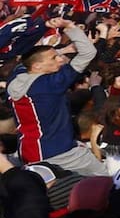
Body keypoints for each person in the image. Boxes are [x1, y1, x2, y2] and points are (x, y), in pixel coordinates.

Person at [7, 18, 106, 176]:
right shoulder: (51, 84)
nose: (60, 59)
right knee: (106, 181)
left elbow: (28, 59)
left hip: (29, 151)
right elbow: (88, 53)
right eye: (54, 58)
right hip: (59, 152)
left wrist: (61, 50)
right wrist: (70, 26)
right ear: (38, 66)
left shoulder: (16, 77)